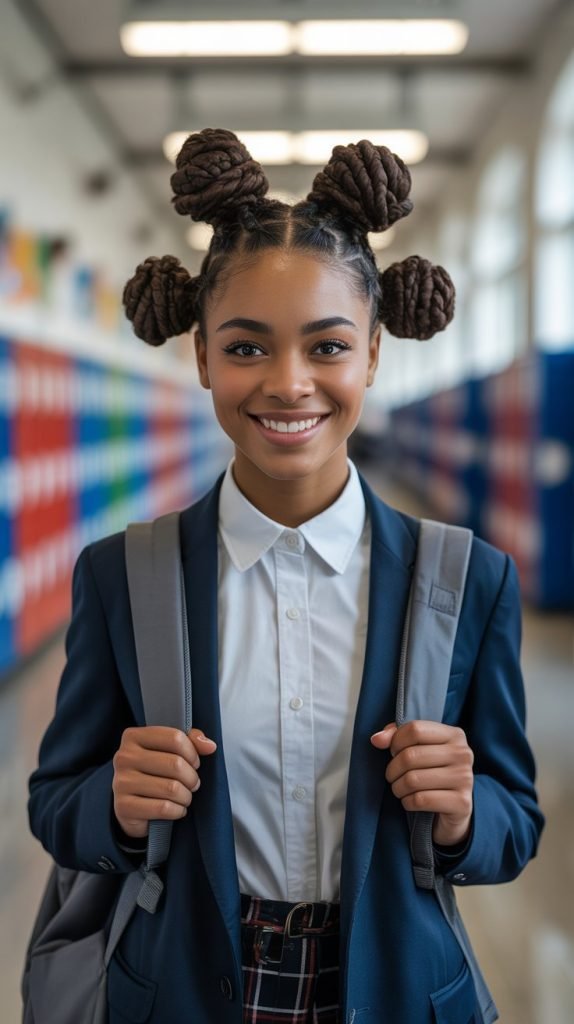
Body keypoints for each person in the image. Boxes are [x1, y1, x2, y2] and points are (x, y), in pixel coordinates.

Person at [28, 128, 544, 1024]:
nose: (290, 383)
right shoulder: (123, 576)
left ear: (375, 353)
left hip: (395, 989)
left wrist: (464, 813)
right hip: (182, 990)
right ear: (199, 358)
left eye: (329, 346)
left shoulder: (467, 580)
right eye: (246, 348)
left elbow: (516, 823)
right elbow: (55, 805)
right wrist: (112, 805)